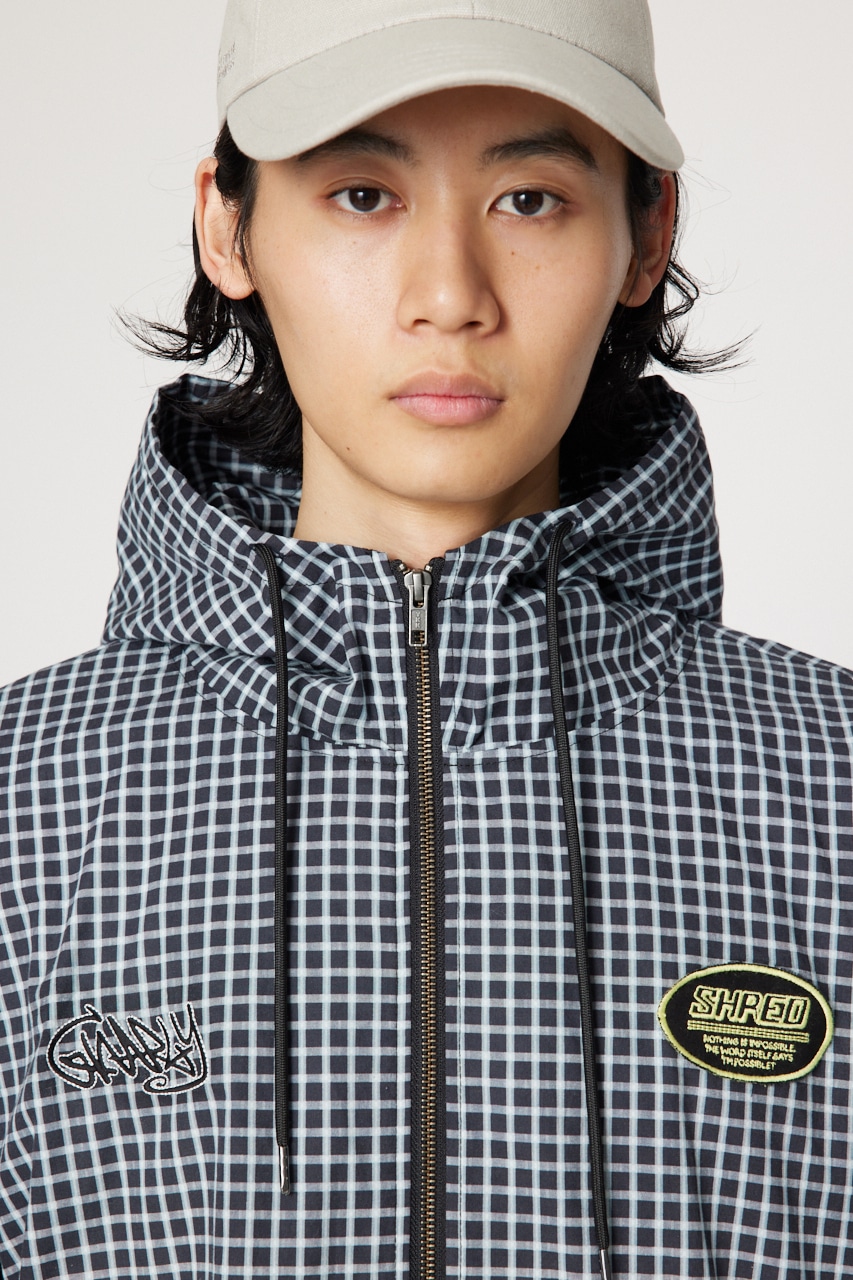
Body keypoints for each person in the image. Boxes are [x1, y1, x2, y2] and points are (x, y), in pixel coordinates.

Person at [0, 1, 850, 1277]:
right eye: (361, 195)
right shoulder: (24, 798)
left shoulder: (832, 785)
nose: (449, 296)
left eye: (529, 200)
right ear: (227, 225)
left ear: (647, 233)